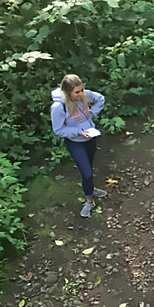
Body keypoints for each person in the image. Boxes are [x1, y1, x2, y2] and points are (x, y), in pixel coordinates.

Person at [51, 74, 107, 217]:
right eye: (77, 92)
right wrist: (78, 132)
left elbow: (100, 99)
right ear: (67, 92)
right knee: (86, 172)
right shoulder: (58, 107)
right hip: (76, 142)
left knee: (89, 167)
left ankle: (91, 188)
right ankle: (89, 201)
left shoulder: (85, 95)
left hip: (90, 137)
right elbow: (58, 129)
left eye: (82, 90)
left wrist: (92, 114)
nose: (81, 94)